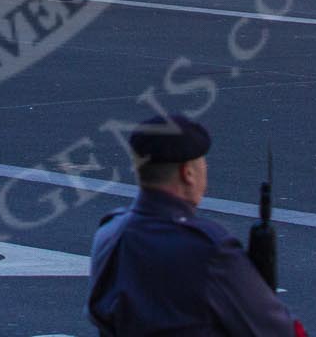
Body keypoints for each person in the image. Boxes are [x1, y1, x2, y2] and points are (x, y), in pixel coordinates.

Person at [86, 114, 297, 336]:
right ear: (188, 173)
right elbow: (277, 329)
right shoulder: (207, 247)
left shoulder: (109, 232)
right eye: (203, 163)